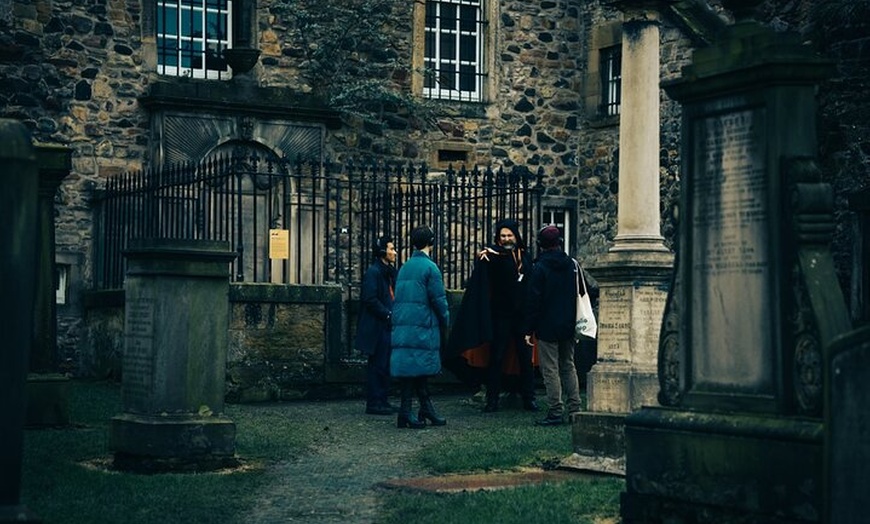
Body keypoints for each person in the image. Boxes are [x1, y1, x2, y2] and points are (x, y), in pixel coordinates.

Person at [446, 219, 538, 413]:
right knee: (496, 357)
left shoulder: (525, 257)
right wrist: (484, 255)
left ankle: (529, 398)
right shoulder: (493, 256)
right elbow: (485, 268)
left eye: (509, 235)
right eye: (503, 236)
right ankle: (492, 399)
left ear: (516, 236)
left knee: (524, 358)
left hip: (521, 318)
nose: (506, 239)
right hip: (500, 316)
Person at [390, 225, 450, 429]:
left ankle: (413, 411)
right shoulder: (430, 268)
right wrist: (446, 319)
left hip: (404, 325)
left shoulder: (405, 266)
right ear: (431, 242)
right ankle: (414, 411)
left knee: (414, 370)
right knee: (419, 369)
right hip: (422, 325)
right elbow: (439, 299)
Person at [523, 225, 582, 426]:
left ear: (540, 245)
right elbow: (584, 291)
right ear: (560, 243)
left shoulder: (539, 267)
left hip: (547, 324)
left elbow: (533, 301)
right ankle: (575, 408)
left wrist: (528, 329)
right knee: (568, 365)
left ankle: (556, 410)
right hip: (568, 322)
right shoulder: (572, 264)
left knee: (550, 369)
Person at [355, 235, 398, 415]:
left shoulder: (388, 271)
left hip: (386, 324)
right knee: (378, 365)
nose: (394, 252)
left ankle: (382, 400)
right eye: (391, 249)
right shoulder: (374, 272)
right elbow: (370, 299)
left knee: (385, 364)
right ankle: (374, 402)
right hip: (378, 326)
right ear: (382, 252)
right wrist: (387, 313)